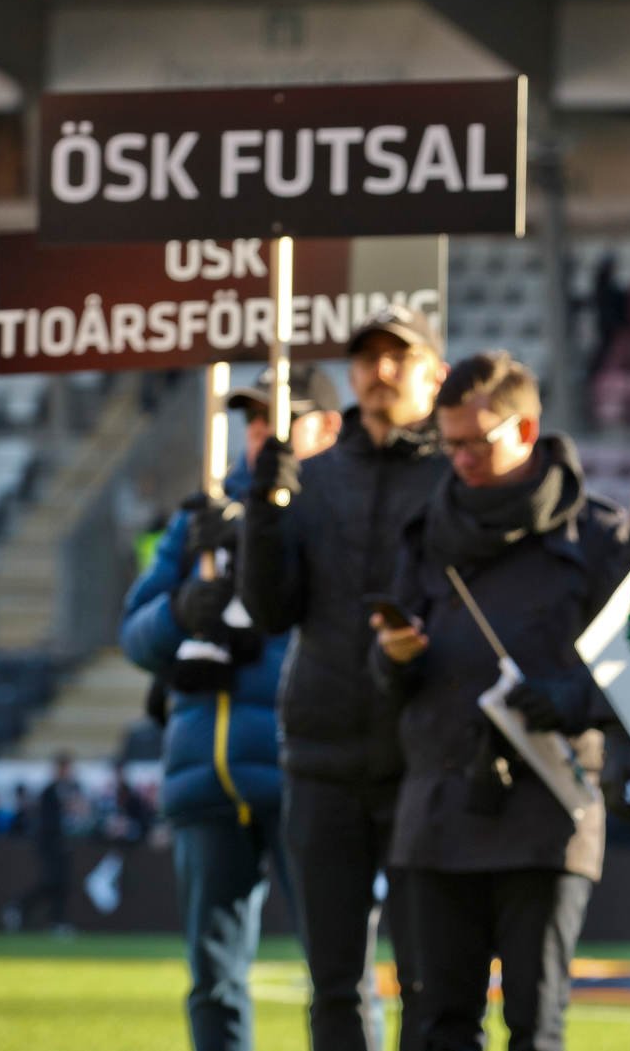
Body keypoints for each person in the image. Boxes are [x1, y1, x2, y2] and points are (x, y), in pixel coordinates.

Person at [370, 351, 630, 1051]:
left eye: (476, 442)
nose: (459, 458)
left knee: (534, 1025)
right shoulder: (426, 533)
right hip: (438, 802)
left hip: (547, 803)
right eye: (449, 442)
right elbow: (388, 676)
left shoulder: (600, 535)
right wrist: (394, 655)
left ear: (528, 427)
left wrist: (572, 698)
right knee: (438, 1025)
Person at [239, 305, 450, 1051]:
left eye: (399, 357)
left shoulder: (456, 478)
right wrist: (262, 512)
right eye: (366, 358)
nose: (379, 371)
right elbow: (272, 610)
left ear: (436, 374)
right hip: (323, 755)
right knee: (333, 983)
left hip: (425, 758)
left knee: (434, 981)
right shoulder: (313, 480)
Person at [120, 363, 342, 1051]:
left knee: (338, 972)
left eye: (279, 418)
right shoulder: (198, 519)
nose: (259, 435)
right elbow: (134, 630)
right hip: (203, 772)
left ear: (329, 427)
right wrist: (182, 612)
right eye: (251, 421)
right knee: (212, 979)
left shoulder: (338, 512)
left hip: (303, 767)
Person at [17, 751, 79, 931]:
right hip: (50, 846)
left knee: (62, 883)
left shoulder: (71, 790)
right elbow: (47, 822)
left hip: (63, 846)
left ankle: (57, 921)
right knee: (51, 882)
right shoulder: (49, 792)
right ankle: (20, 907)